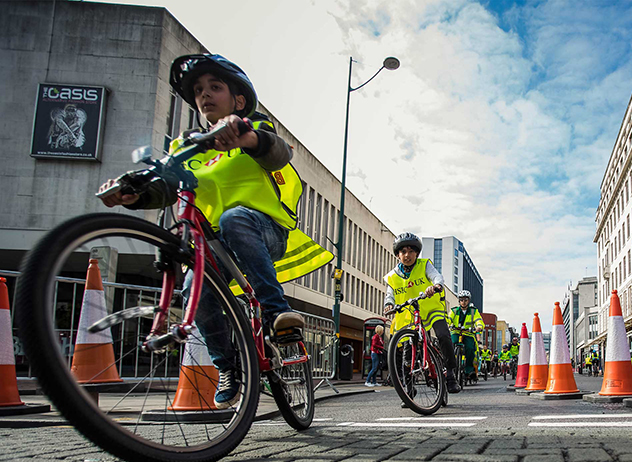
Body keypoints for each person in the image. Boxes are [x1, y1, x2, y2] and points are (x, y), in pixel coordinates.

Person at [98, 54, 331, 409]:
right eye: (198, 90)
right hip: (214, 247)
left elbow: (278, 154)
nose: (204, 94)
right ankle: (229, 368)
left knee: (234, 217)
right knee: (194, 284)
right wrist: (133, 193)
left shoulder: (249, 125)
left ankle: (276, 314)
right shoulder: (183, 147)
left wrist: (247, 138)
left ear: (238, 99)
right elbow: (163, 188)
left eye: (215, 87)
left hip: (264, 231)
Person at [383, 233, 461, 394]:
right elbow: (389, 294)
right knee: (406, 352)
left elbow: (436, 276)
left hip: (432, 309)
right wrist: (388, 304)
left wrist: (436, 285)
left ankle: (451, 375)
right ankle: (409, 389)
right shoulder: (392, 276)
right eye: (403, 252)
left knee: (443, 335)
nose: (407, 255)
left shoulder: (424, 265)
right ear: (397, 255)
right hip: (410, 315)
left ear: (417, 254)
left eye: (411, 251)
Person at [449, 291, 485, 381]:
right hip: (456, 332)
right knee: (451, 343)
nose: (463, 302)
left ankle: (469, 370)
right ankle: (450, 367)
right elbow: (449, 318)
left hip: (468, 333)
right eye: (461, 300)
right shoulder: (454, 310)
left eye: (465, 300)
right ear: (459, 301)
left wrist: (479, 327)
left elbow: (478, 320)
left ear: (468, 300)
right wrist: (446, 324)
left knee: (470, 348)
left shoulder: (473, 311)